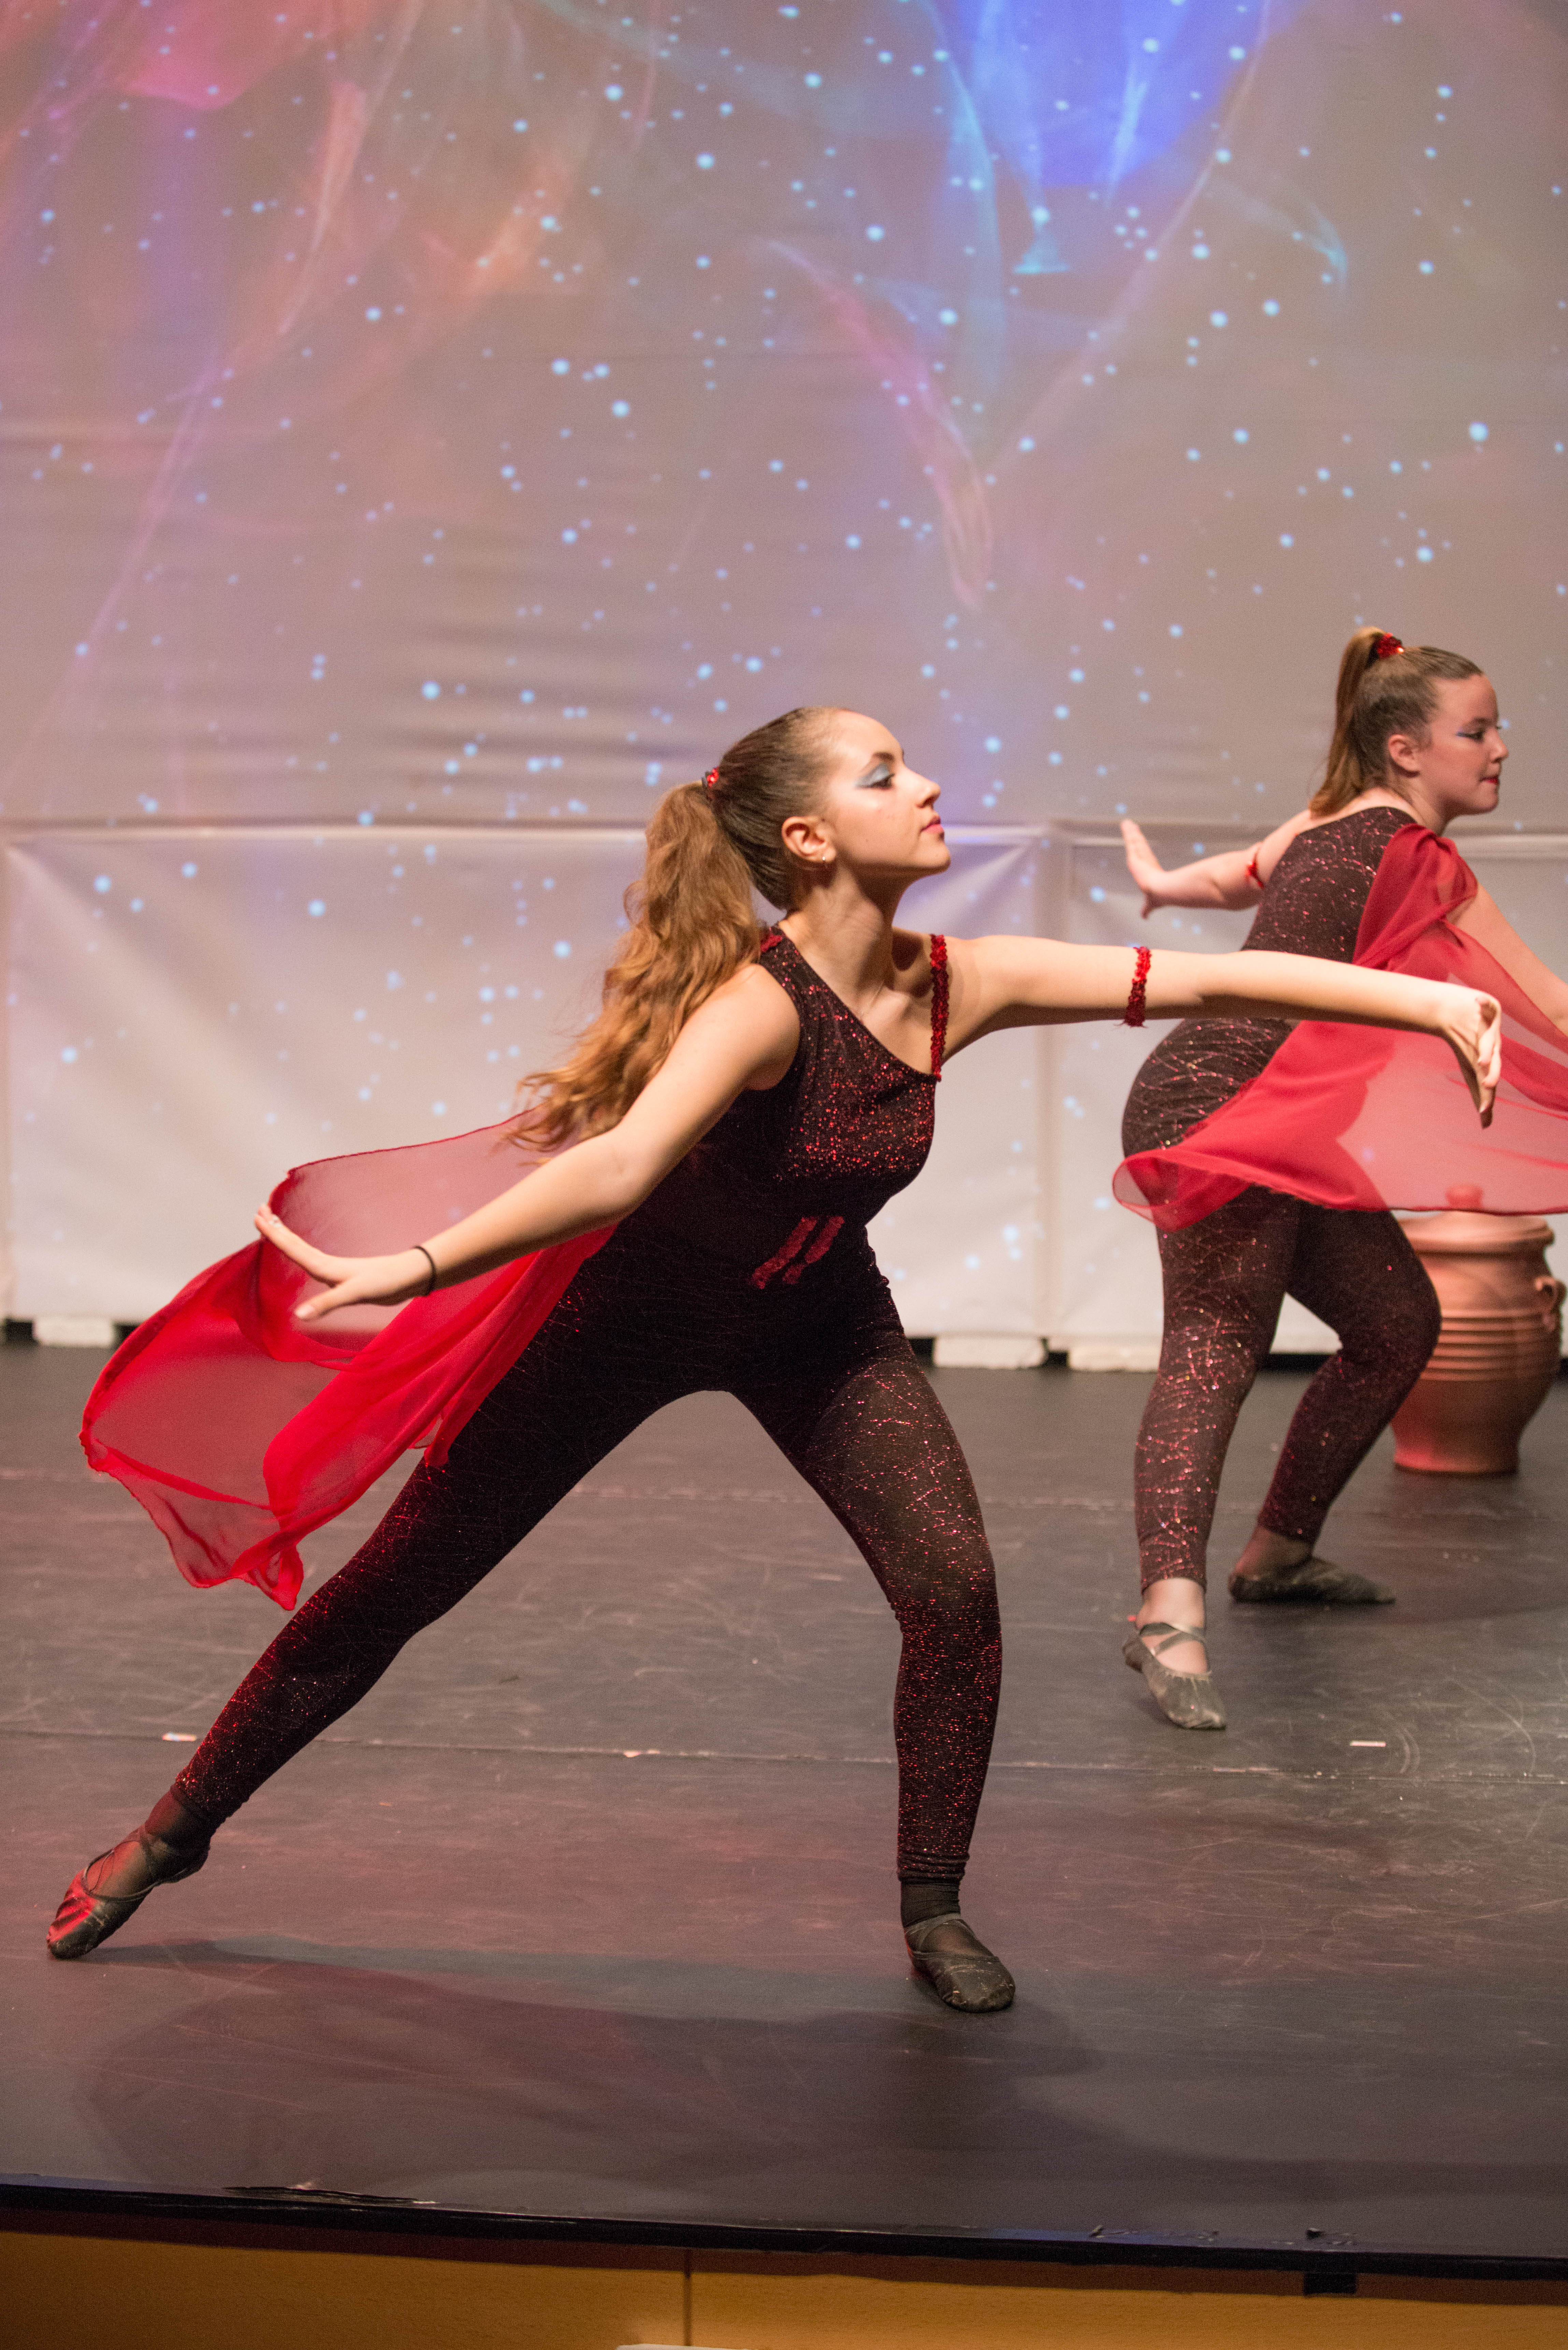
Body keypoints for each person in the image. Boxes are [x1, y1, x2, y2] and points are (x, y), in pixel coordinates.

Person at [47, 704, 1501, 2009]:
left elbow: (1194, 984)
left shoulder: (960, 981)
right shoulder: (757, 1006)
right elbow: (618, 1169)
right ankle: (171, 1835)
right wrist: (418, 1266)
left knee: (955, 1591)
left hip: (821, 1323)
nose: (926, 785)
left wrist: (1432, 1001)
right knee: (400, 1583)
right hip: (629, 1320)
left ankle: (933, 1905)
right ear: (807, 838)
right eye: (884, 774)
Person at [1116, 628, 1568, 1731]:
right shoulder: (1419, 857)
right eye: (1476, 731)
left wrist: (1159, 883)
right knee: (1217, 1339)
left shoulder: (1318, 822)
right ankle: (1165, 1612)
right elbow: (1547, 1007)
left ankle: (1277, 1554)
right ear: (1405, 750)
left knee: (1394, 1322)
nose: (1500, 749)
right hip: (1223, 1107)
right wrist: (1165, 885)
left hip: (1270, 1116)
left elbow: (1231, 875)